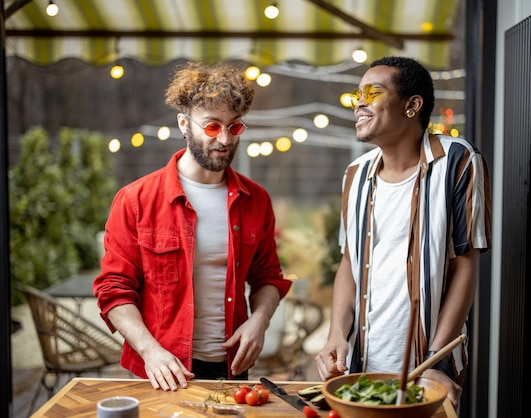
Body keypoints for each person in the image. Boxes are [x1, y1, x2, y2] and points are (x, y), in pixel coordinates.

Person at [93, 61, 292, 391]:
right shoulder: (135, 199)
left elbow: (268, 277)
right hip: (161, 370)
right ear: (184, 124)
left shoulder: (256, 200)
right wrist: (150, 352)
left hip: (231, 366)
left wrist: (259, 321)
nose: (225, 139)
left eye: (235, 127)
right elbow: (114, 290)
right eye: (212, 127)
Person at [314, 56, 492, 409]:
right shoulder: (355, 174)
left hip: (427, 369)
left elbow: (465, 266)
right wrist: (336, 335)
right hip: (361, 366)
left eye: (372, 92)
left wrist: (438, 361)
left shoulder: (458, 160)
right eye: (356, 94)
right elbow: (350, 262)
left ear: (412, 105)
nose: (358, 102)